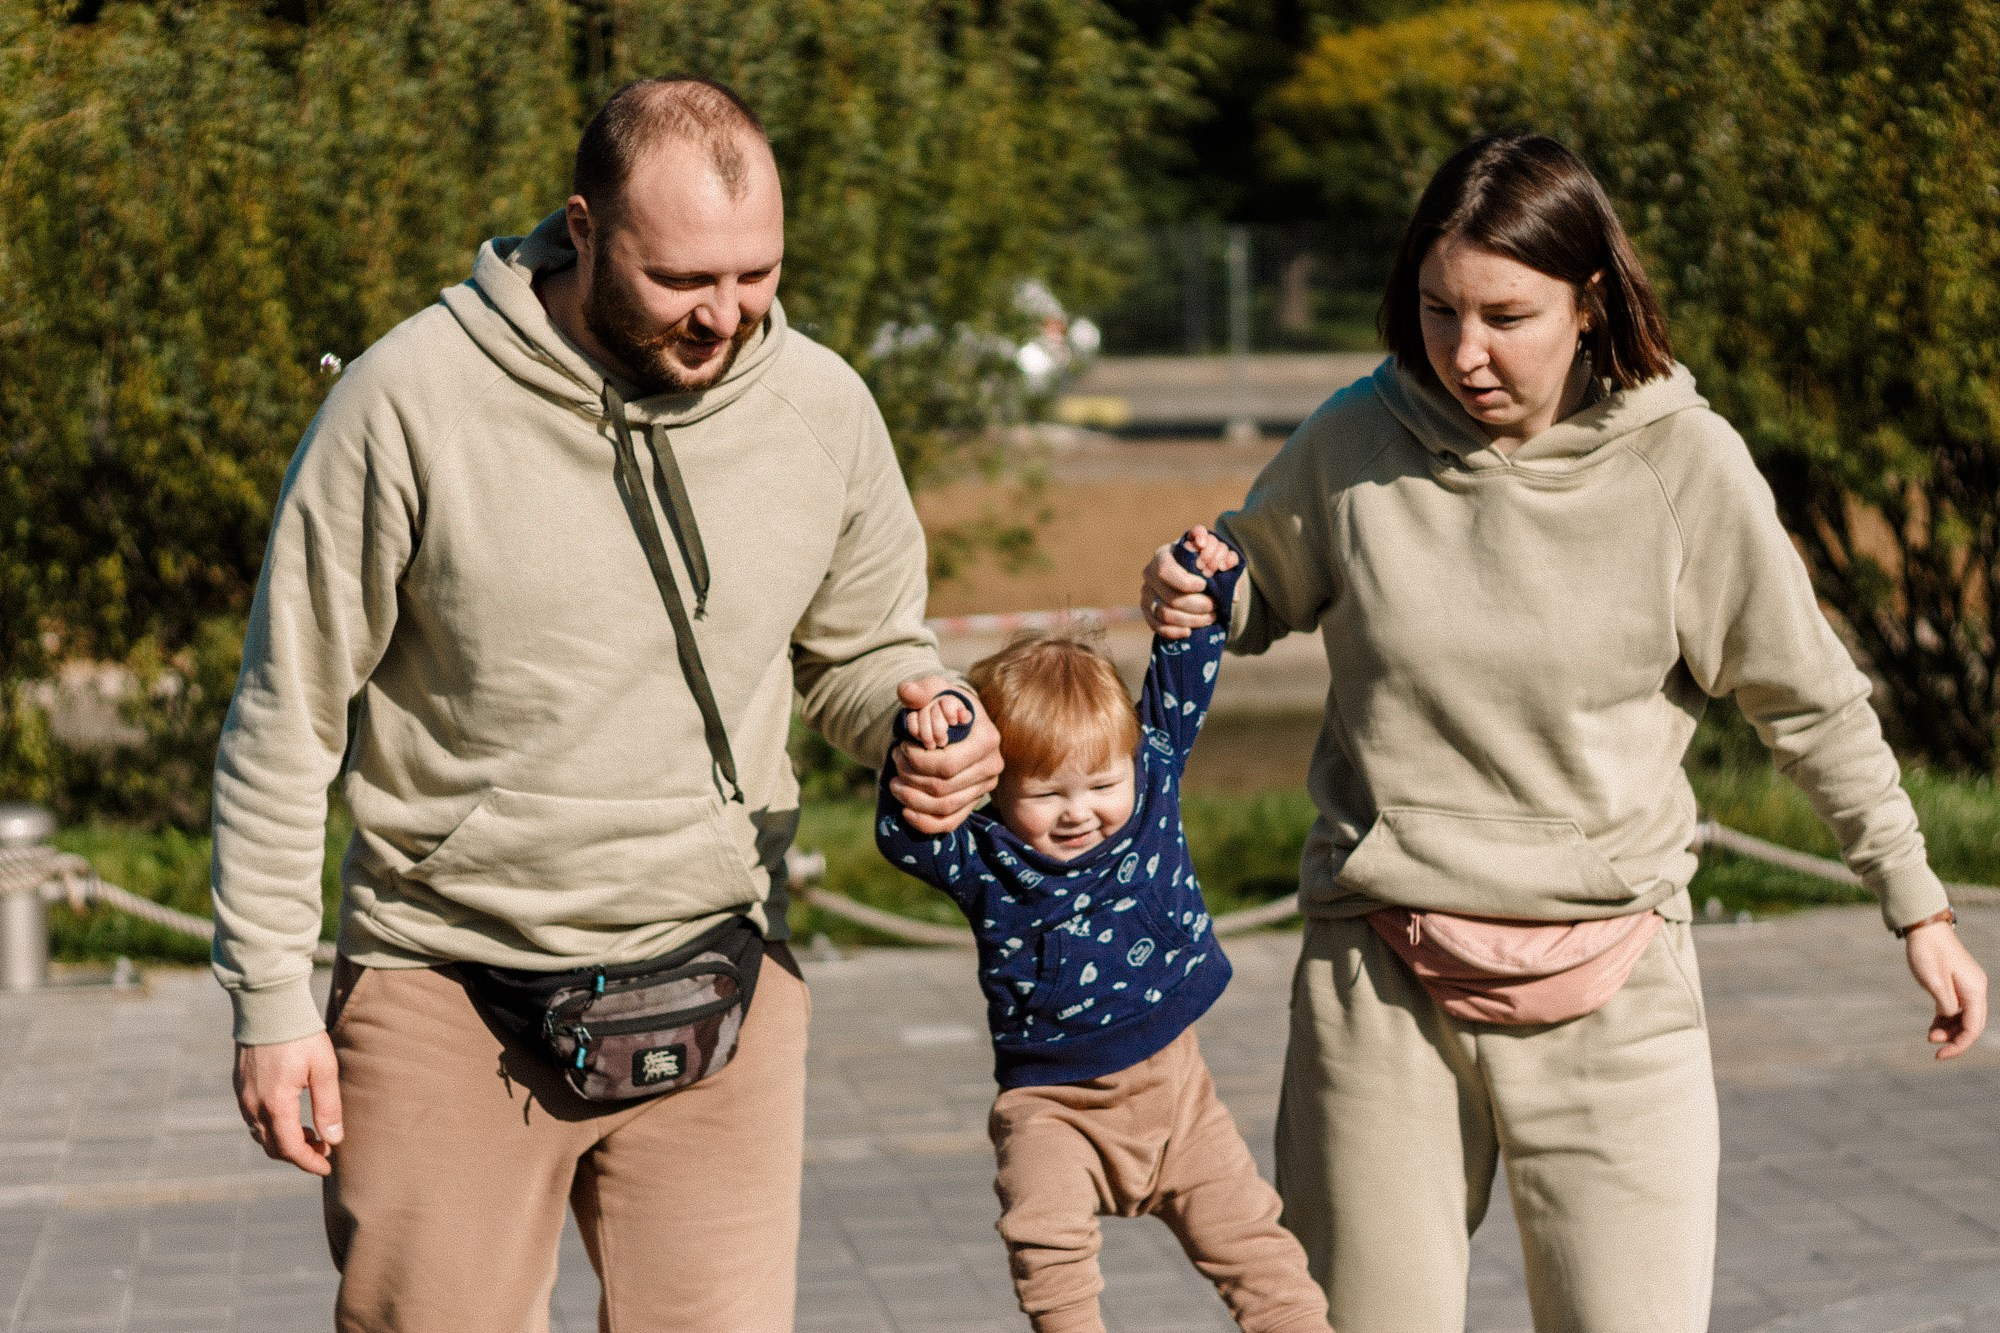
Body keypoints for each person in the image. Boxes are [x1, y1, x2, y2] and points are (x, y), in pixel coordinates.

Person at [1141, 132, 1989, 1332]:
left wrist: (1918, 904)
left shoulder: (1683, 464)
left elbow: (1806, 700)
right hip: (1377, 986)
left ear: (1589, 304)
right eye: (1437, 310)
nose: (1464, 350)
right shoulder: (1353, 441)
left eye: (1505, 313)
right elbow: (1251, 584)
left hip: (1614, 992)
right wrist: (1197, 587)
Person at [212, 76, 1001, 1332]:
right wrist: (267, 1000)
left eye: (757, 276)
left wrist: (925, 716)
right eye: (685, 279)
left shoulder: (822, 405)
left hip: (724, 978)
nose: (727, 317)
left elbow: (863, 650)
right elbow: (284, 714)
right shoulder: (405, 400)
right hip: (446, 988)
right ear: (581, 230)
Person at [877, 528, 1334, 1333]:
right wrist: (932, 740)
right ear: (999, 790)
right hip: (1053, 1107)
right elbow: (911, 833)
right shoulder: (987, 856)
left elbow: (1183, 670)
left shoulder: (1153, 777)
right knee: (1046, 1244)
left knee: (1259, 1250)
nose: (1079, 809)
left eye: (1099, 782)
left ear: (1132, 761)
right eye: (1047, 792)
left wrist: (1201, 577)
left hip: (1178, 1096)